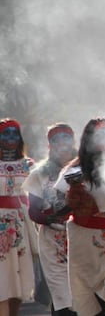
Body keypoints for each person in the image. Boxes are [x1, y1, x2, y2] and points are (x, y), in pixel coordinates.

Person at [54, 118, 105, 316]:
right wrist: (73, 200)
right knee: (92, 304)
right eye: (100, 135)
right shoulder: (73, 171)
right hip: (85, 243)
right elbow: (56, 208)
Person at [23, 123, 78, 316]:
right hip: (53, 242)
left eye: (66, 138)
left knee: (86, 296)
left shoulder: (86, 169)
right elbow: (34, 210)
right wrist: (51, 218)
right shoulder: (40, 174)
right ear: (50, 145)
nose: (62, 143)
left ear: (74, 141)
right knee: (61, 295)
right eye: (56, 139)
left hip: (83, 238)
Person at [0, 118, 35, 316]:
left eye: (15, 133)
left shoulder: (29, 165)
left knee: (17, 278)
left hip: (21, 226)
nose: (11, 138)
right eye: (6, 133)